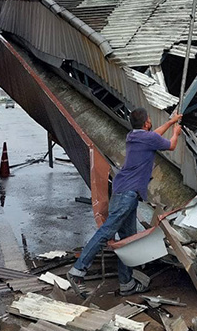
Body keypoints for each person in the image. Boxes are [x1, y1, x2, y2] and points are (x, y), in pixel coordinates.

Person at [67, 107, 182, 297]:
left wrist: (170, 122)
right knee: (107, 232)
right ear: (146, 123)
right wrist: (176, 132)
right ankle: (78, 272)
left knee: (128, 241)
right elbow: (170, 145)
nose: (151, 122)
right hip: (128, 194)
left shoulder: (133, 136)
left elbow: (154, 135)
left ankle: (126, 284)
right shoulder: (147, 138)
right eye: (150, 119)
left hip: (124, 192)